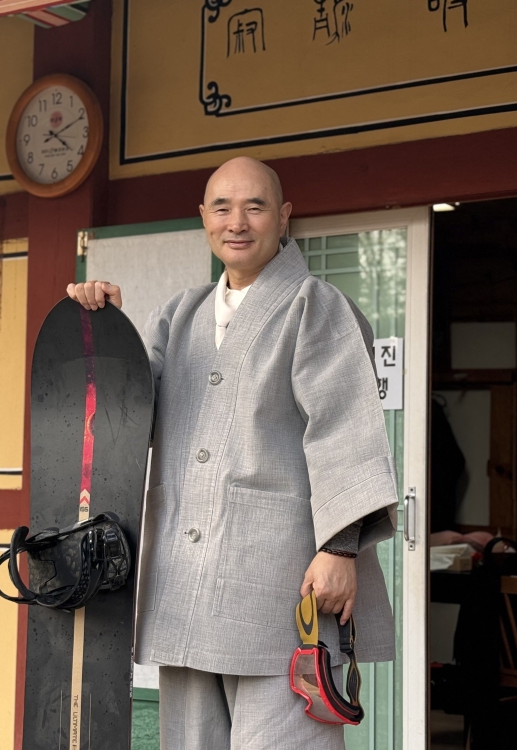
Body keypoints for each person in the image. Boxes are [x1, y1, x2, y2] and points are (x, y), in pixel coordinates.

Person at [67, 157, 398, 750]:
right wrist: (104, 330)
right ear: (203, 217)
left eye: (255, 206)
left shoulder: (313, 306)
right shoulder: (180, 314)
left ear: (284, 216)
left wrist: (340, 547)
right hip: (185, 583)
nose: (237, 222)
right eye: (221, 207)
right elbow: (128, 418)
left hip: (279, 583)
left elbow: (342, 425)